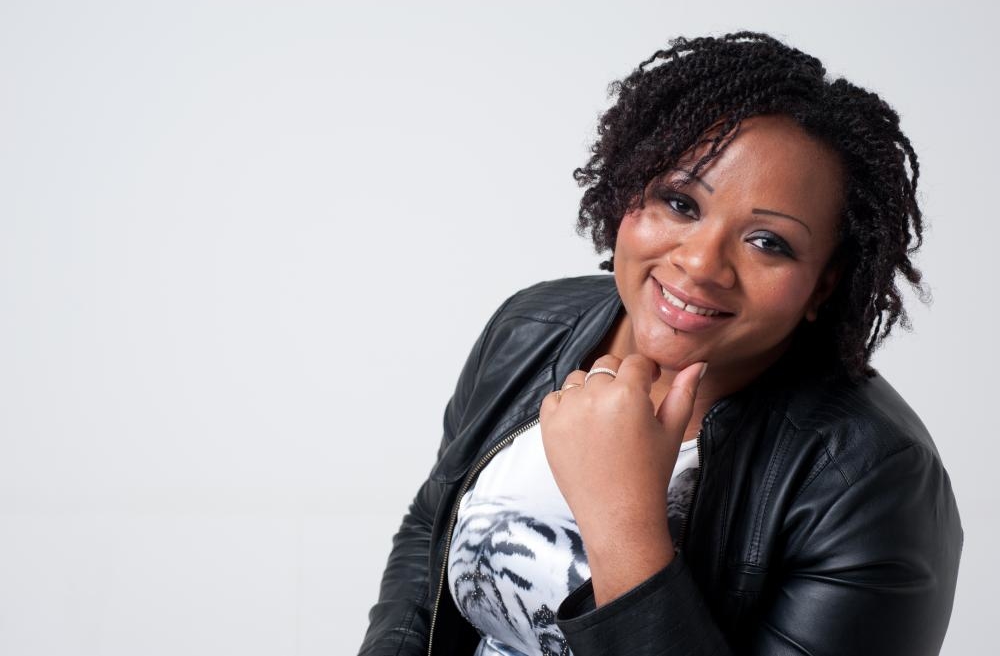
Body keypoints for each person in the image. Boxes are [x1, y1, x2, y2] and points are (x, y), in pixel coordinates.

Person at [358, 32, 962, 656]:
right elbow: (430, 531)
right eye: (680, 203)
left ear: (824, 283)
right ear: (629, 189)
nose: (701, 263)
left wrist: (622, 522)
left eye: (767, 242)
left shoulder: (872, 479)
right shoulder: (531, 326)